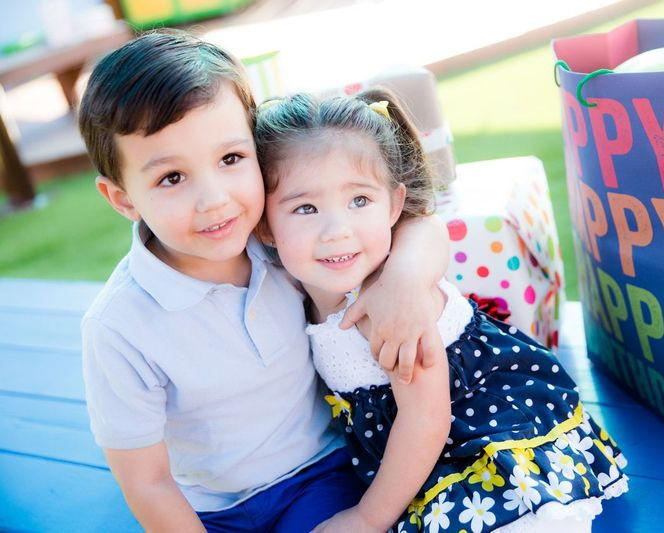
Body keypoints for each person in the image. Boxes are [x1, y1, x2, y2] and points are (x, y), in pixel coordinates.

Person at [78, 30, 450, 532]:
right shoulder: (118, 326)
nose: (215, 200)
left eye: (230, 159)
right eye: (172, 178)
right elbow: (148, 482)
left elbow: (419, 222)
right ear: (123, 197)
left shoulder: (284, 240)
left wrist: (405, 279)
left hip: (320, 474)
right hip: (212, 508)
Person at [256, 90, 630, 533]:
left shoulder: (383, 306)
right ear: (265, 226)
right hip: (416, 447)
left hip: (480, 429)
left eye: (359, 201)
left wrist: (367, 518)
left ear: (394, 205)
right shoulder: (294, 287)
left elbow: (426, 417)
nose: (337, 231)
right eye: (305, 208)